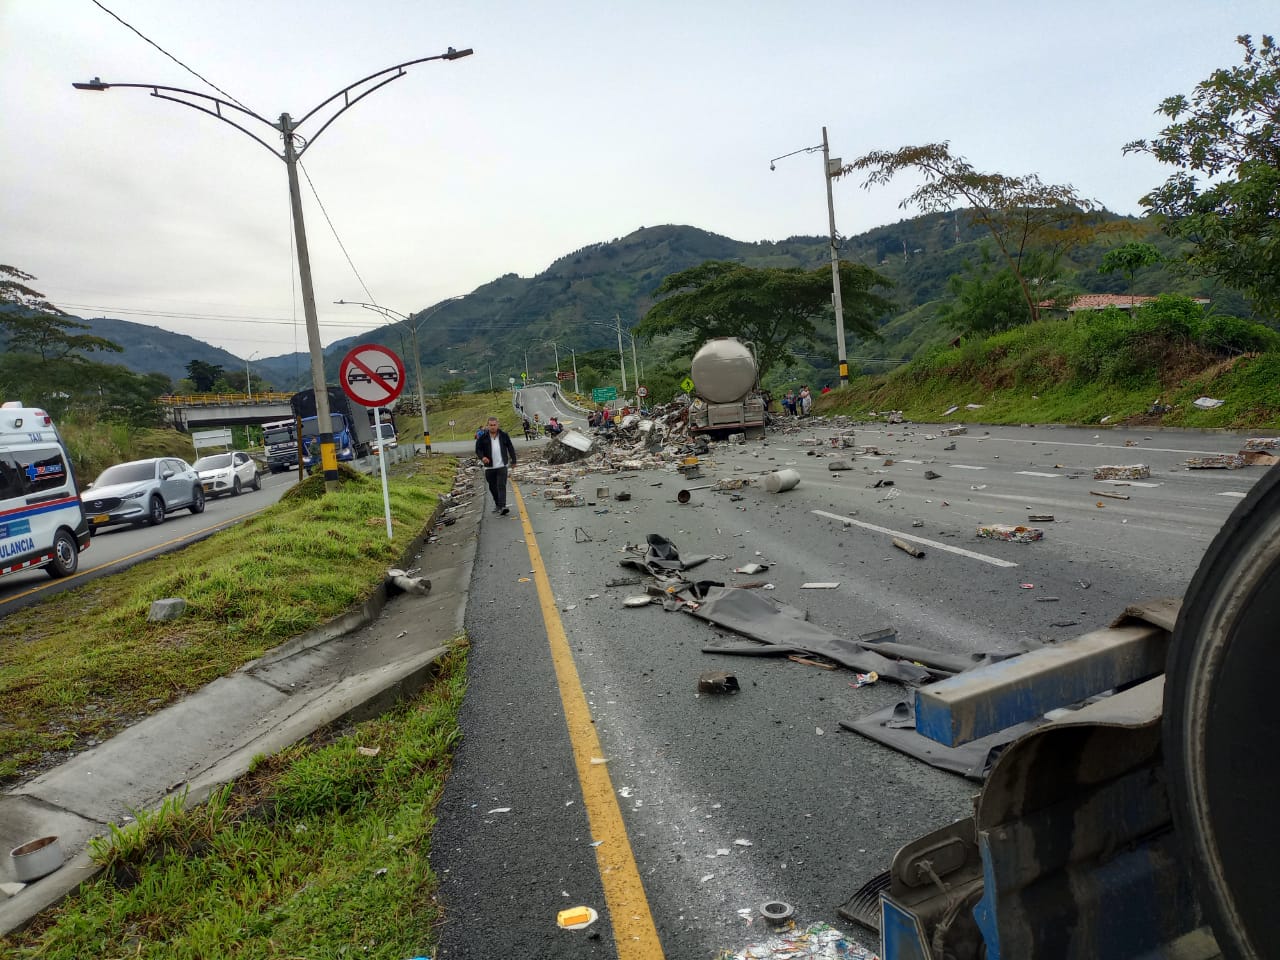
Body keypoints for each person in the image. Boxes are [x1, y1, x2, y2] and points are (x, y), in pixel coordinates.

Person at [475, 416, 517, 515]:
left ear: (497, 425)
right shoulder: (483, 437)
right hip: (489, 467)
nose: (493, 427)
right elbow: (478, 449)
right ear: (487, 426)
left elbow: (510, 447)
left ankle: (502, 506)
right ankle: (498, 504)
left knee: (501, 485)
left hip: (502, 465)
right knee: (492, 487)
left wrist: (513, 460)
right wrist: (482, 457)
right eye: (491, 425)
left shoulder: (504, 435)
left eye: (494, 425)